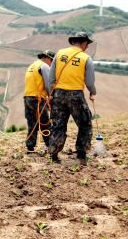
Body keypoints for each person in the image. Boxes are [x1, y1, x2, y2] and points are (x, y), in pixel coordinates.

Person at [48, 32, 96, 164]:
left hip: (58, 94)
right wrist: (93, 93)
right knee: (85, 123)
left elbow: (51, 79)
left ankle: (54, 156)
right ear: (85, 43)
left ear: (73, 41)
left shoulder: (59, 54)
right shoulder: (86, 58)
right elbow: (90, 83)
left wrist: (51, 96)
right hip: (76, 95)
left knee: (58, 125)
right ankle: (81, 155)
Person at [23, 50, 56, 154]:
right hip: (37, 99)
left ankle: (30, 148)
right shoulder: (45, 66)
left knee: (32, 124)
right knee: (45, 123)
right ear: (50, 59)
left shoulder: (32, 66)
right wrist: (50, 97)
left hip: (27, 98)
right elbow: (48, 84)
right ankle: (52, 148)